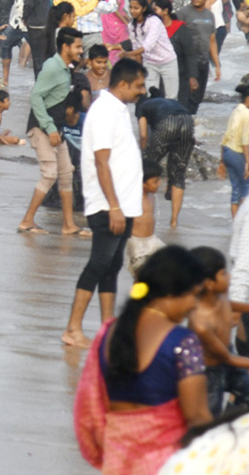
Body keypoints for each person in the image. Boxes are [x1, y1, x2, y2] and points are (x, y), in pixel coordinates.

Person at [74, 246, 211, 475]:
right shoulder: (183, 341)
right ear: (170, 292)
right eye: (193, 295)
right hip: (165, 464)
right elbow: (198, 417)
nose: (194, 305)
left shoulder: (110, 331)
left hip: (117, 462)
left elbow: (90, 400)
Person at [63, 58, 149, 348]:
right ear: (122, 84)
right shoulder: (103, 111)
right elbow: (101, 162)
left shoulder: (120, 109)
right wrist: (113, 206)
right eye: (138, 85)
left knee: (111, 267)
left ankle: (106, 329)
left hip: (123, 204)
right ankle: (73, 329)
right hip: (108, 205)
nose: (142, 91)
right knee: (98, 264)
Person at [17, 28, 88, 236]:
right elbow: (36, 97)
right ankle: (26, 221)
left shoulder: (65, 67)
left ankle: (69, 225)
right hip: (42, 128)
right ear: (65, 47)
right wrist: (48, 127)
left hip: (56, 130)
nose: (81, 50)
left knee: (66, 174)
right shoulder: (52, 68)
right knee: (49, 175)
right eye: (78, 46)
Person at [187, 246, 249, 416]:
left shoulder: (219, 296)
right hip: (209, 372)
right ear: (209, 283)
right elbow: (227, 358)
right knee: (208, 419)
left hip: (229, 357)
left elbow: (232, 305)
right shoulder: (200, 321)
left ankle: (233, 418)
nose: (229, 277)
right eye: (223, 274)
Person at [137, 92, 194, 228]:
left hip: (167, 123)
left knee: (143, 172)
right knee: (178, 173)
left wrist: (144, 154)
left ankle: (141, 214)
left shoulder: (143, 106)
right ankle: (174, 221)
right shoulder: (168, 102)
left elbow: (143, 135)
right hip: (187, 120)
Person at [124, 0, 178, 99]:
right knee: (151, 97)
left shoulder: (154, 21)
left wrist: (127, 54)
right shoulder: (131, 26)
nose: (132, 11)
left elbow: (147, 46)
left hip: (167, 61)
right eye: (130, 7)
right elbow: (136, 49)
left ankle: (170, 116)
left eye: (136, 8)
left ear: (144, 8)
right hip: (150, 63)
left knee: (171, 98)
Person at [125, 162, 165, 276]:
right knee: (140, 275)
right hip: (136, 243)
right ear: (142, 184)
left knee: (172, 261)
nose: (159, 184)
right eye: (155, 182)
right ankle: (136, 294)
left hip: (153, 240)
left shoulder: (151, 196)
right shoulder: (133, 198)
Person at [217, 83, 249, 219]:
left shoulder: (236, 111)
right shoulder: (247, 114)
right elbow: (245, 141)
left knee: (236, 191)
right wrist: (248, 162)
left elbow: (225, 137)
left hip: (228, 152)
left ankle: (236, 225)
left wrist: (222, 160)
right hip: (238, 154)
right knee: (246, 190)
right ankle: (243, 225)